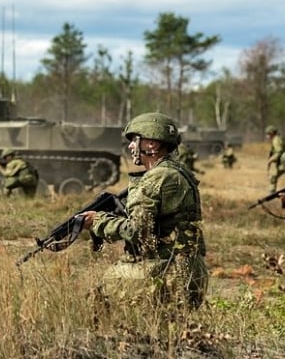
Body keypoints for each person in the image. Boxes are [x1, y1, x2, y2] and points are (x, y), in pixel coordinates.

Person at [80, 112, 207, 311]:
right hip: (190, 271)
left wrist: (98, 221)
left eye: (134, 140)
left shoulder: (157, 177)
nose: (130, 146)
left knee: (95, 301)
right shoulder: (176, 171)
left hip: (168, 273)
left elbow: (137, 231)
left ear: (152, 145)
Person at [265, 125, 285, 193]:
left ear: (271, 133)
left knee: (275, 177)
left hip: (284, 163)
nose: (267, 136)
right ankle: (272, 192)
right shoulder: (277, 139)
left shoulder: (276, 140)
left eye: (268, 134)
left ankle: (272, 192)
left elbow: (279, 152)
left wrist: (271, 159)